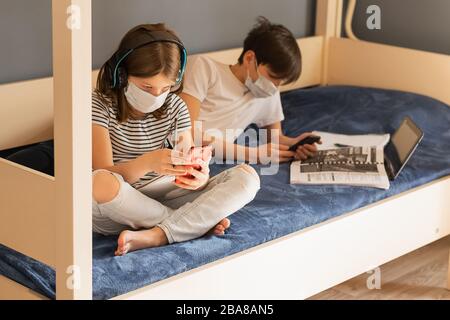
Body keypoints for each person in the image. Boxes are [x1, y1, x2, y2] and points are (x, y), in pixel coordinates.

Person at [92, 24, 260, 256]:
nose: (156, 96)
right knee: (98, 182)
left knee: (247, 177)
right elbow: (103, 173)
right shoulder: (98, 105)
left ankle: (159, 234)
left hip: (168, 193)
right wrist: (147, 163)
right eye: (146, 87)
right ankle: (192, 224)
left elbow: (188, 170)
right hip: (120, 206)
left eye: (166, 88)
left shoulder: (176, 106)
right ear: (122, 74)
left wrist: (197, 177)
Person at [180, 17, 321, 164]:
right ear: (249, 58)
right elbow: (188, 133)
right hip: (176, 153)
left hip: (205, 162)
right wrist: (252, 154)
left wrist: (294, 144)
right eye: (272, 77)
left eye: (279, 83)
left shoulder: (268, 93)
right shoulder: (203, 68)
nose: (274, 88)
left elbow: (274, 138)